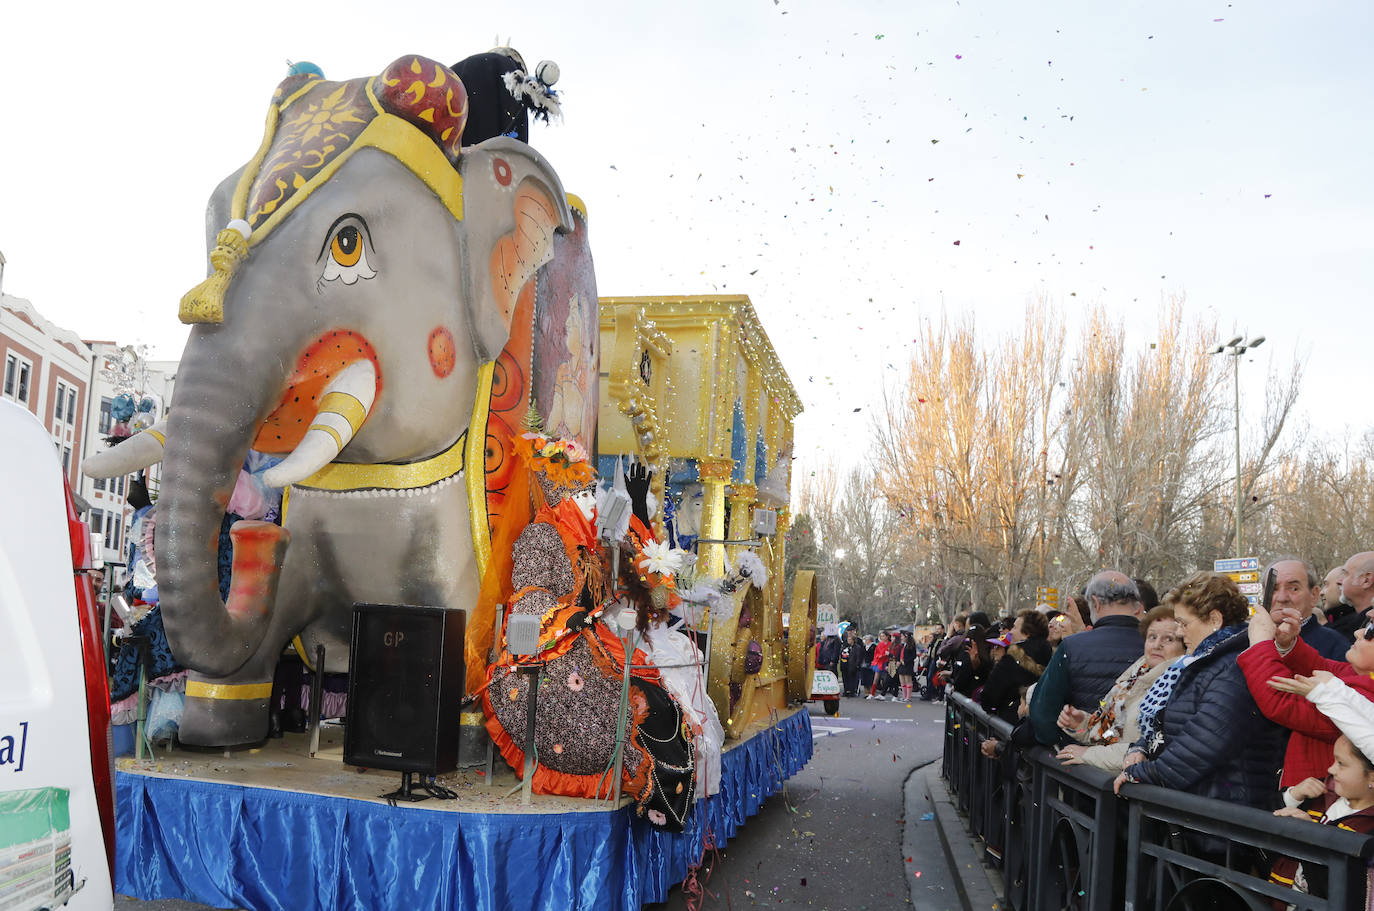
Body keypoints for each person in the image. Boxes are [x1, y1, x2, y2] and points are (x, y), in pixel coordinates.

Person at [1113, 572, 1285, 811]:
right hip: (1206, 807)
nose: (1181, 633)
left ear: (1214, 619)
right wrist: (1141, 747)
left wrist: (1145, 772)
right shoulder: (1204, 662)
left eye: (1184, 623)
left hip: (1226, 817)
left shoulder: (1234, 666)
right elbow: (1172, 724)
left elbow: (1202, 743)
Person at [1243, 604, 1374, 786]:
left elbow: (1282, 701)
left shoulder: (1368, 695)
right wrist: (1288, 644)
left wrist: (1259, 644)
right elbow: (1322, 670)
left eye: (1370, 630)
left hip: (1320, 799)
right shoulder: (1365, 678)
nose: (1358, 633)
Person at [1053, 605, 1185, 771]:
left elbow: (1148, 749)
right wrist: (1082, 724)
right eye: (1152, 637)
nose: (1157, 645)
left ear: (1184, 645)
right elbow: (1111, 733)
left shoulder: (1177, 685)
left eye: (1169, 639)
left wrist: (1088, 754)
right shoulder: (1134, 675)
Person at [1029, 572, 1145, 746]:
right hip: (1140, 761)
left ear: (1096, 603)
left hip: (1081, 761)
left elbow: (1043, 712)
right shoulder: (1159, 646)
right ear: (1137, 606)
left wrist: (1062, 745)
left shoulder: (1072, 646)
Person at [1267, 735, 1374, 902]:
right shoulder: (1320, 794)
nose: (1330, 769)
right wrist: (1293, 796)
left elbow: (1342, 891)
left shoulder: (1368, 828)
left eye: (1341, 763)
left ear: (1372, 778)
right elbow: (1265, 825)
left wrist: (1311, 835)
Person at [1262, 558, 1348, 660]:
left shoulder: (1336, 646)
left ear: (1314, 595)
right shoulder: (1246, 640)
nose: (1282, 598)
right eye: (1273, 589)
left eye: (1294, 588)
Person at [979, 609, 1051, 723]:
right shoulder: (1053, 654)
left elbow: (989, 695)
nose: (1011, 632)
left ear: (1027, 632)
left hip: (1012, 722)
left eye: (1015, 628)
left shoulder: (1013, 657)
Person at [1328, 552, 1374, 641]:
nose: (1338, 581)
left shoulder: (1363, 630)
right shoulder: (1345, 622)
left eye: (1345, 574)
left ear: (1366, 581)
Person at [839, 628, 864, 697]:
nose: (848, 640)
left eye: (850, 639)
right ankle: (846, 690)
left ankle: (852, 691)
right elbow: (842, 654)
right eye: (848, 639)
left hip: (853, 665)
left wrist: (857, 664)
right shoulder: (845, 646)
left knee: (853, 679)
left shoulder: (857, 646)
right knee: (845, 678)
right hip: (845, 664)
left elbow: (859, 656)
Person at [898, 631, 918, 702]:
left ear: (906, 637)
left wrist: (905, 661)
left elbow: (914, 656)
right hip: (901, 664)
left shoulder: (911, 645)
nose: (901, 638)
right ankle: (904, 696)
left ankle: (908, 697)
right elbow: (899, 654)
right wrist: (899, 661)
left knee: (908, 680)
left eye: (902, 636)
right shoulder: (902, 645)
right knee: (902, 681)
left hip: (908, 665)